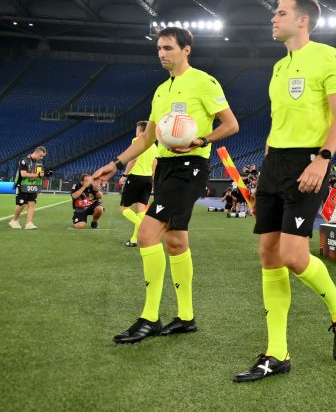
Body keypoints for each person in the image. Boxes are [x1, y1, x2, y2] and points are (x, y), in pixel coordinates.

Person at [234, 0, 336, 383]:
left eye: (281, 13)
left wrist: (322, 159)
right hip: (275, 164)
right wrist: (265, 171)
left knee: (292, 255)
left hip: (309, 162)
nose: (274, 18)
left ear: (302, 20)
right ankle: (277, 353)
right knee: (268, 254)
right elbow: (279, 121)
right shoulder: (278, 67)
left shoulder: (327, 56)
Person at [92, 26, 239, 344]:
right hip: (165, 168)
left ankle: (150, 318)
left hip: (191, 166)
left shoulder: (204, 82)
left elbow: (231, 124)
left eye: (168, 48)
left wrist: (201, 140)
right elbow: (147, 137)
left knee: (147, 233)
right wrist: (115, 164)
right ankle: (186, 317)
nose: (162, 53)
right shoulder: (161, 91)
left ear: (186, 50)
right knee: (175, 241)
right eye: (159, 48)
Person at [119, 121, 158, 247]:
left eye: (137, 129)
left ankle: (144, 227)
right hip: (147, 179)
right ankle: (134, 240)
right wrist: (152, 179)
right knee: (141, 211)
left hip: (135, 177)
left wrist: (124, 175)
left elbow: (133, 158)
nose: (136, 132)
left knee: (124, 208)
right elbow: (155, 164)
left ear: (142, 131)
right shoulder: (154, 145)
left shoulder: (137, 140)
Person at [9, 146, 46, 229]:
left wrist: (43, 175)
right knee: (22, 204)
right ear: (36, 152)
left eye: (42, 156)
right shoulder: (24, 160)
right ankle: (14, 220)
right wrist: (37, 175)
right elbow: (23, 174)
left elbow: (38, 175)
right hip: (22, 184)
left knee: (32, 204)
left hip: (33, 185)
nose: (41, 158)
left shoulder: (39, 162)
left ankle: (29, 223)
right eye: (41, 155)